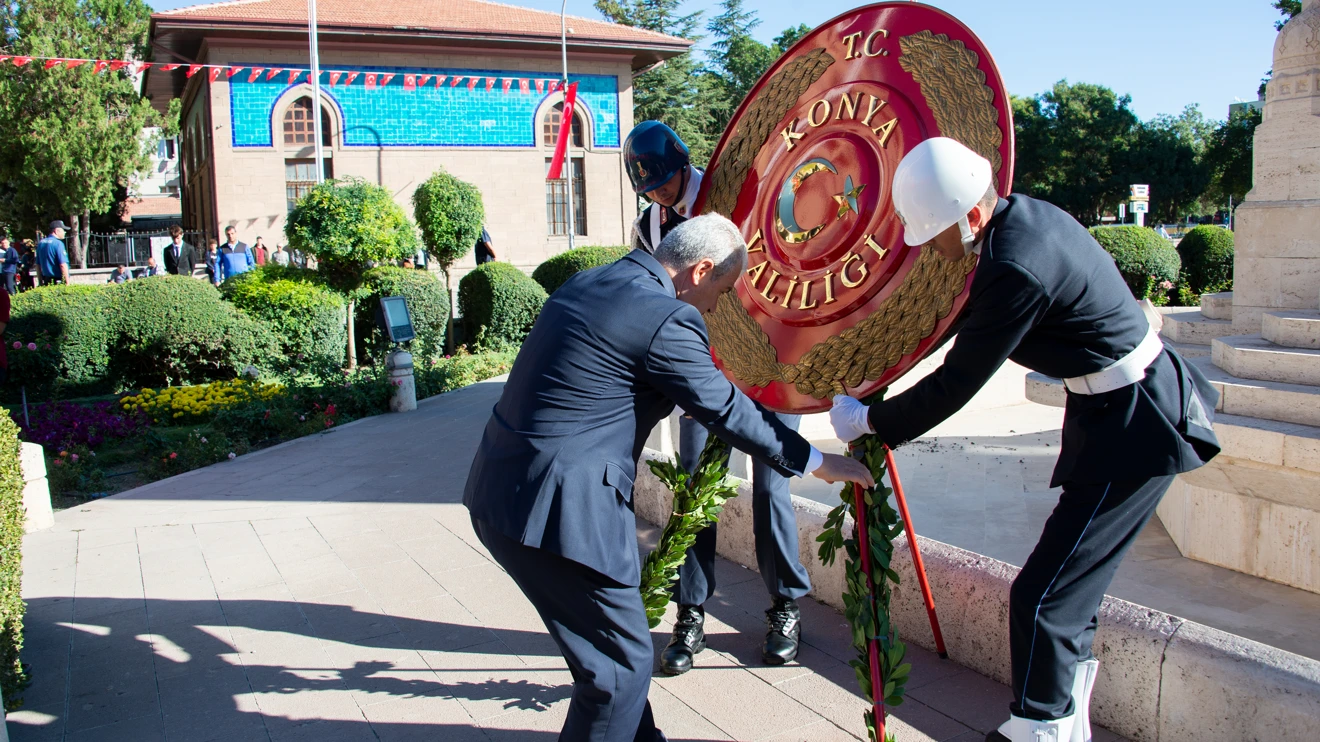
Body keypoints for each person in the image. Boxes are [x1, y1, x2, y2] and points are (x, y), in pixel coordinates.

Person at [827, 138, 1221, 742]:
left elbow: (960, 379)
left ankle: (1040, 727)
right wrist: (878, 371)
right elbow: (952, 322)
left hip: (1135, 423)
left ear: (973, 216)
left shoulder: (1015, 264)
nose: (930, 248)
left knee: (1043, 596)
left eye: (932, 234)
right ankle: (1062, 719)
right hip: (1110, 412)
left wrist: (872, 423)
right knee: (1068, 592)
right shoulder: (1021, 222)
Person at [464, 214, 875, 742]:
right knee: (617, 673)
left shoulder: (592, 279)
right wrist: (818, 461)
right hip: (562, 512)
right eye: (722, 290)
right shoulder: (665, 316)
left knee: (615, 656)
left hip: (501, 494)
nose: (716, 306)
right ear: (701, 269)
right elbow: (728, 409)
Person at [624, 120, 811, 673]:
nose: (659, 193)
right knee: (694, 489)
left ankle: (785, 606)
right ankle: (691, 612)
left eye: (664, 182)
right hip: (701, 371)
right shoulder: (649, 225)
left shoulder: (735, 198)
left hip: (767, 363)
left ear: (685, 165)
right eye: (649, 186)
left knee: (772, 487)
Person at [36, 220, 71, 286]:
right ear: (56, 231)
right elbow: (63, 264)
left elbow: (38, 265)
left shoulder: (41, 243)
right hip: (58, 280)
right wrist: (67, 282)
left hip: (46, 280)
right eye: (63, 230)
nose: (64, 232)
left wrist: (40, 281)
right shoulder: (58, 244)